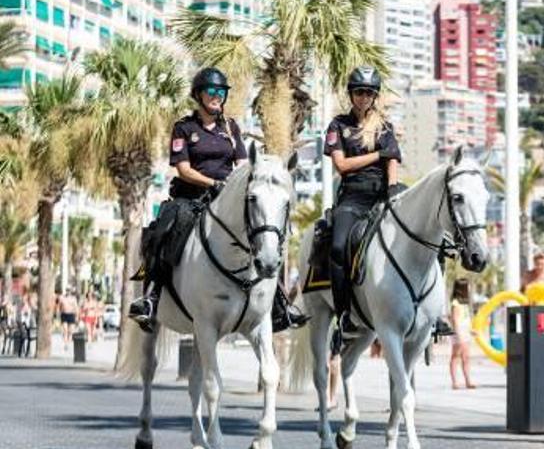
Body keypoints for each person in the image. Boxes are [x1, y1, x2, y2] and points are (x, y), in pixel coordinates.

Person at [128, 67, 308, 332]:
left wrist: (237, 184)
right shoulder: (184, 128)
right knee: (163, 231)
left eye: (221, 91)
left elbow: (243, 164)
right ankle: (151, 297)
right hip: (189, 197)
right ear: (199, 95)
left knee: (262, 232)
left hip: (225, 198)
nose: (216, 96)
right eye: (211, 91)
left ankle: (279, 303)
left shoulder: (230, 127)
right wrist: (214, 183)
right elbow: (184, 169)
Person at [324, 66, 403, 333]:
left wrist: (392, 189)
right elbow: (342, 166)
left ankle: (433, 312)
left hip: (383, 192)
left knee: (424, 228)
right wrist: (376, 156)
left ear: (375, 96)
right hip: (353, 196)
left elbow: (392, 160)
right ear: (351, 94)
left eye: (369, 93)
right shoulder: (338, 125)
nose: (363, 97)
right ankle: (343, 313)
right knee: (337, 247)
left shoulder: (385, 126)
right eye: (359, 92)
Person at [449, 278, 476, 389]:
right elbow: (455, 320)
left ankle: (468, 380)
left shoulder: (464, 303)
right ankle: (455, 382)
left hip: (465, 332)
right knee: (456, 356)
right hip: (459, 332)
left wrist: (471, 330)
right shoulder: (455, 303)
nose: (469, 289)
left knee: (466, 357)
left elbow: (465, 318)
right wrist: (458, 335)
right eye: (467, 286)